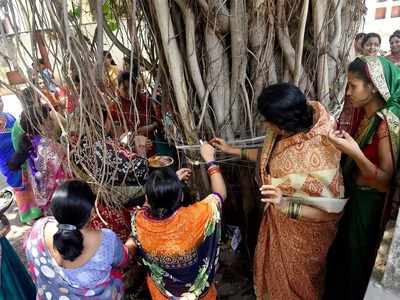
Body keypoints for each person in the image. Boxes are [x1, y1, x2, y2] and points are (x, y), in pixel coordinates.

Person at [211, 83, 346, 299]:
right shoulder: (286, 133)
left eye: (267, 120)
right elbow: (269, 156)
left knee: (301, 286)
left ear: (282, 125)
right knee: (276, 277)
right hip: (278, 223)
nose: (264, 123)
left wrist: (285, 205)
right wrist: (231, 149)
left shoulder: (319, 153)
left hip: (304, 237)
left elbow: (331, 211)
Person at [324, 56, 400, 300]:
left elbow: (383, 181)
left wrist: (354, 153)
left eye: (353, 86)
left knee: (358, 262)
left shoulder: (385, 124)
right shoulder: (362, 116)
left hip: (369, 206)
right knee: (344, 259)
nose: (348, 93)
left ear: (374, 86)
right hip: (353, 199)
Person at [126, 142, 227, 299]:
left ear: (148, 196)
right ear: (180, 196)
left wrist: (167, 185)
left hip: (162, 293)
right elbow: (220, 194)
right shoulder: (196, 217)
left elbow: (146, 204)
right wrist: (210, 160)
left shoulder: (138, 220)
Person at [26, 180, 129, 299]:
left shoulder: (38, 228)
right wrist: (132, 242)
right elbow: (123, 261)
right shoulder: (106, 240)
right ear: (92, 212)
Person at [0, 212, 36, 299]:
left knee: (12, 279)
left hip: (4, 252)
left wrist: (1, 234)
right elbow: (7, 226)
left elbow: (7, 226)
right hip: (4, 251)